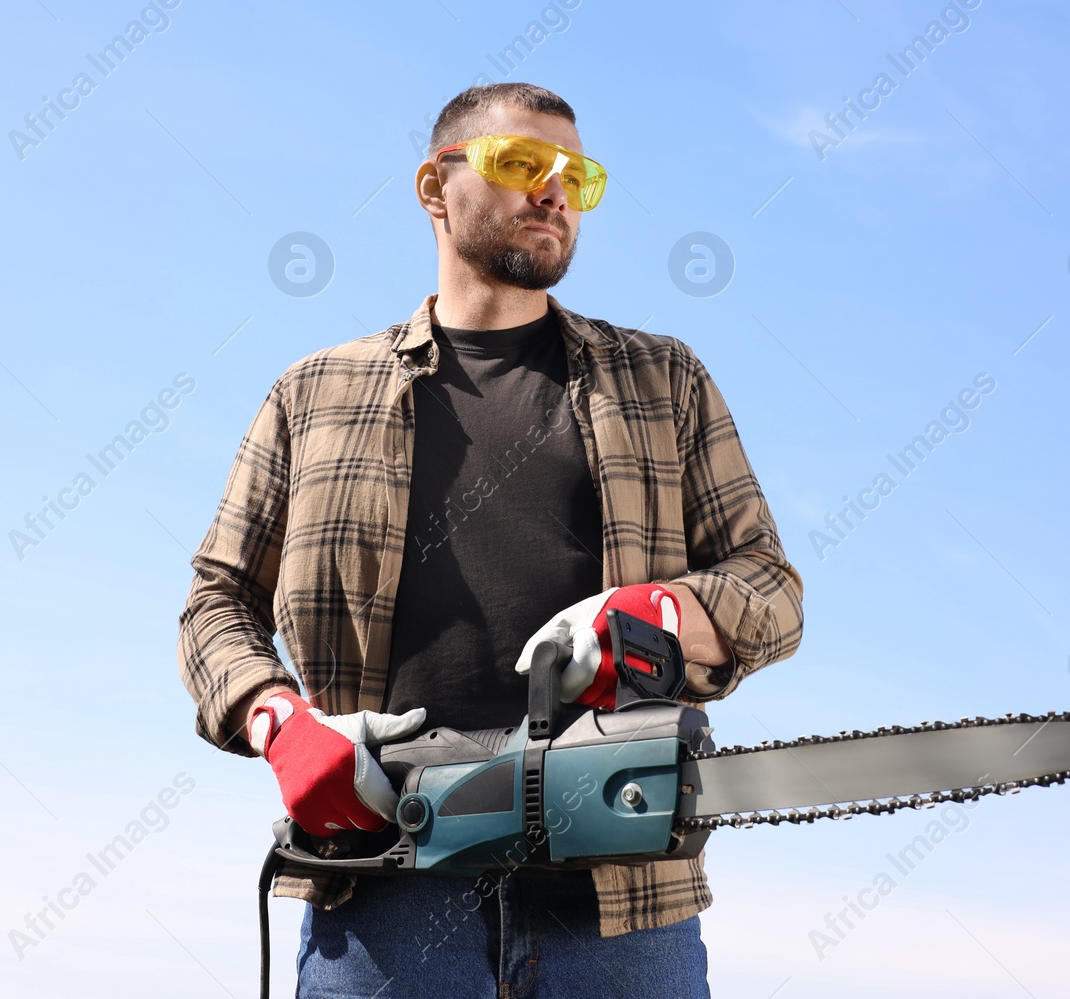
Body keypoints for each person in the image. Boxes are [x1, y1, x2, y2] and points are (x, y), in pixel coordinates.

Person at [177, 82, 804, 997]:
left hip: (620, 903)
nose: (554, 190)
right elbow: (215, 599)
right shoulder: (312, 393)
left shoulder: (663, 380)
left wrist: (660, 613)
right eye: (521, 164)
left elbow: (771, 588)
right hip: (381, 895)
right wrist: (278, 723)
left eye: (576, 176)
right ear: (437, 188)